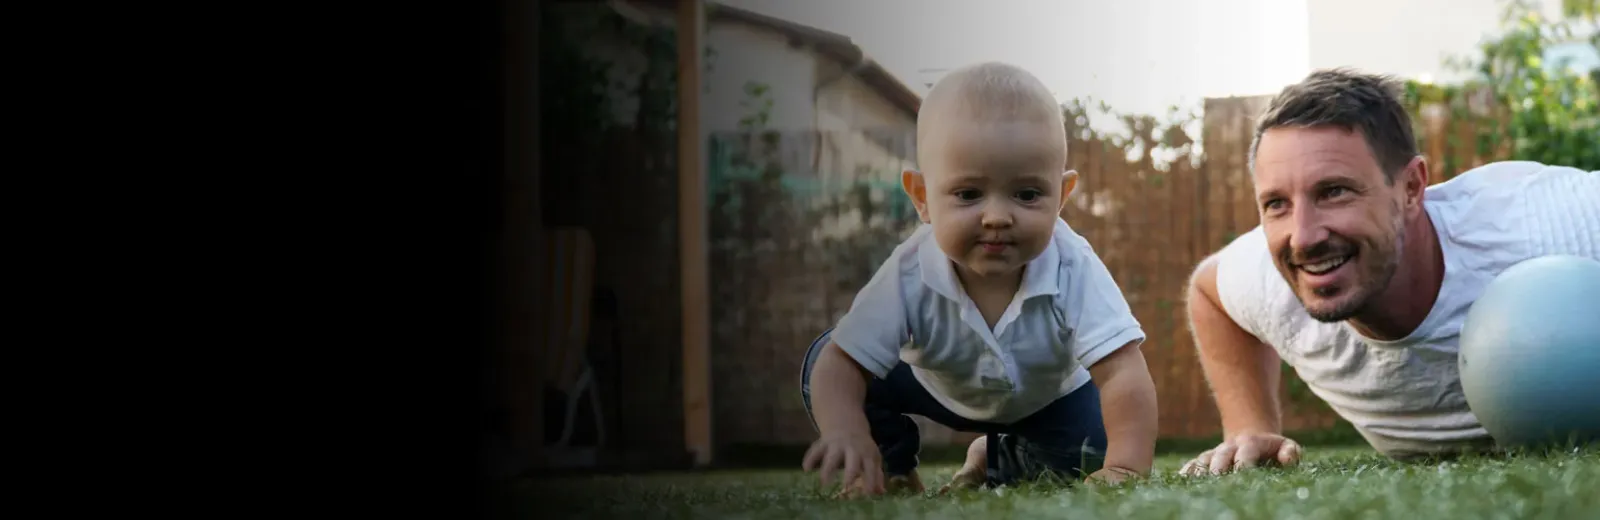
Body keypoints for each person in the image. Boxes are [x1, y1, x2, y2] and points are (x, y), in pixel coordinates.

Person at [1178, 67, 1599, 476]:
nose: (1302, 237)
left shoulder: (1552, 223)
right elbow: (1208, 291)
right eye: (1276, 204)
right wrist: (1249, 427)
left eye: (1334, 191)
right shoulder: (1268, 280)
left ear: (1412, 188)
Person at [798, 61, 1160, 498]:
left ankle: (996, 457)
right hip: (934, 385)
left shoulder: (1072, 264)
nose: (997, 217)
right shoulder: (910, 269)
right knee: (827, 357)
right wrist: (846, 430)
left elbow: (1122, 370)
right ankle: (889, 469)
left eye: (1027, 194)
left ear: (1061, 197)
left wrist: (1124, 467)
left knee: (1088, 452)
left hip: (1048, 398)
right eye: (968, 194)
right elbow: (842, 365)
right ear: (922, 197)